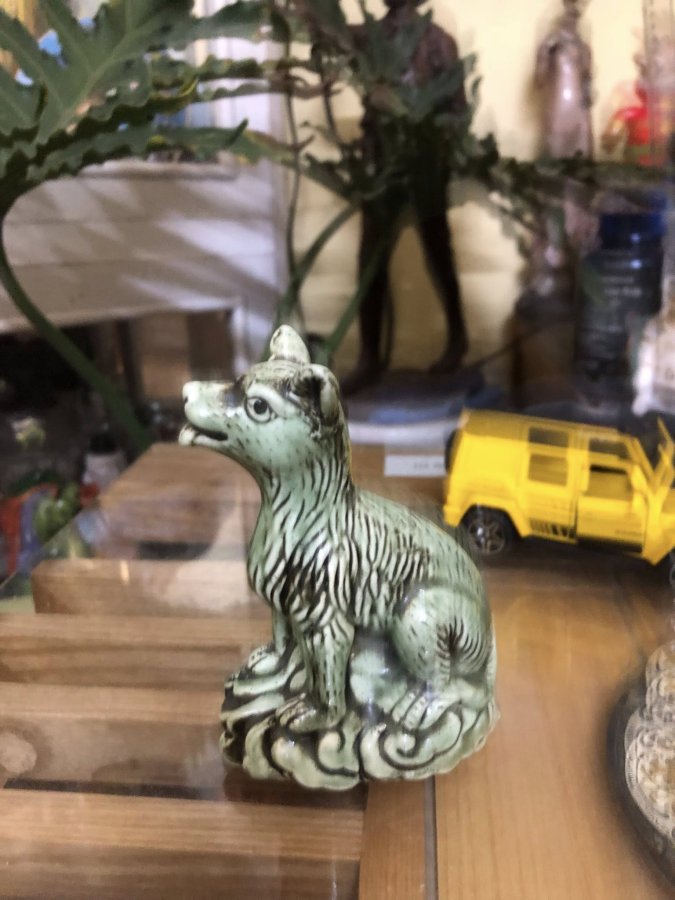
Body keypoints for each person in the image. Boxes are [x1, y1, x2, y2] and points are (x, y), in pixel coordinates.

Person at [341, 0, 469, 395]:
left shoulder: (438, 41)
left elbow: (458, 109)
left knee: (438, 251)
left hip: (424, 163)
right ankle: (369, 357)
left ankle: (458, 339)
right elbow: (325, 32)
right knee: (370, 260)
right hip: (382, 164)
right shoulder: (368, 37)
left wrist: (438, 138)